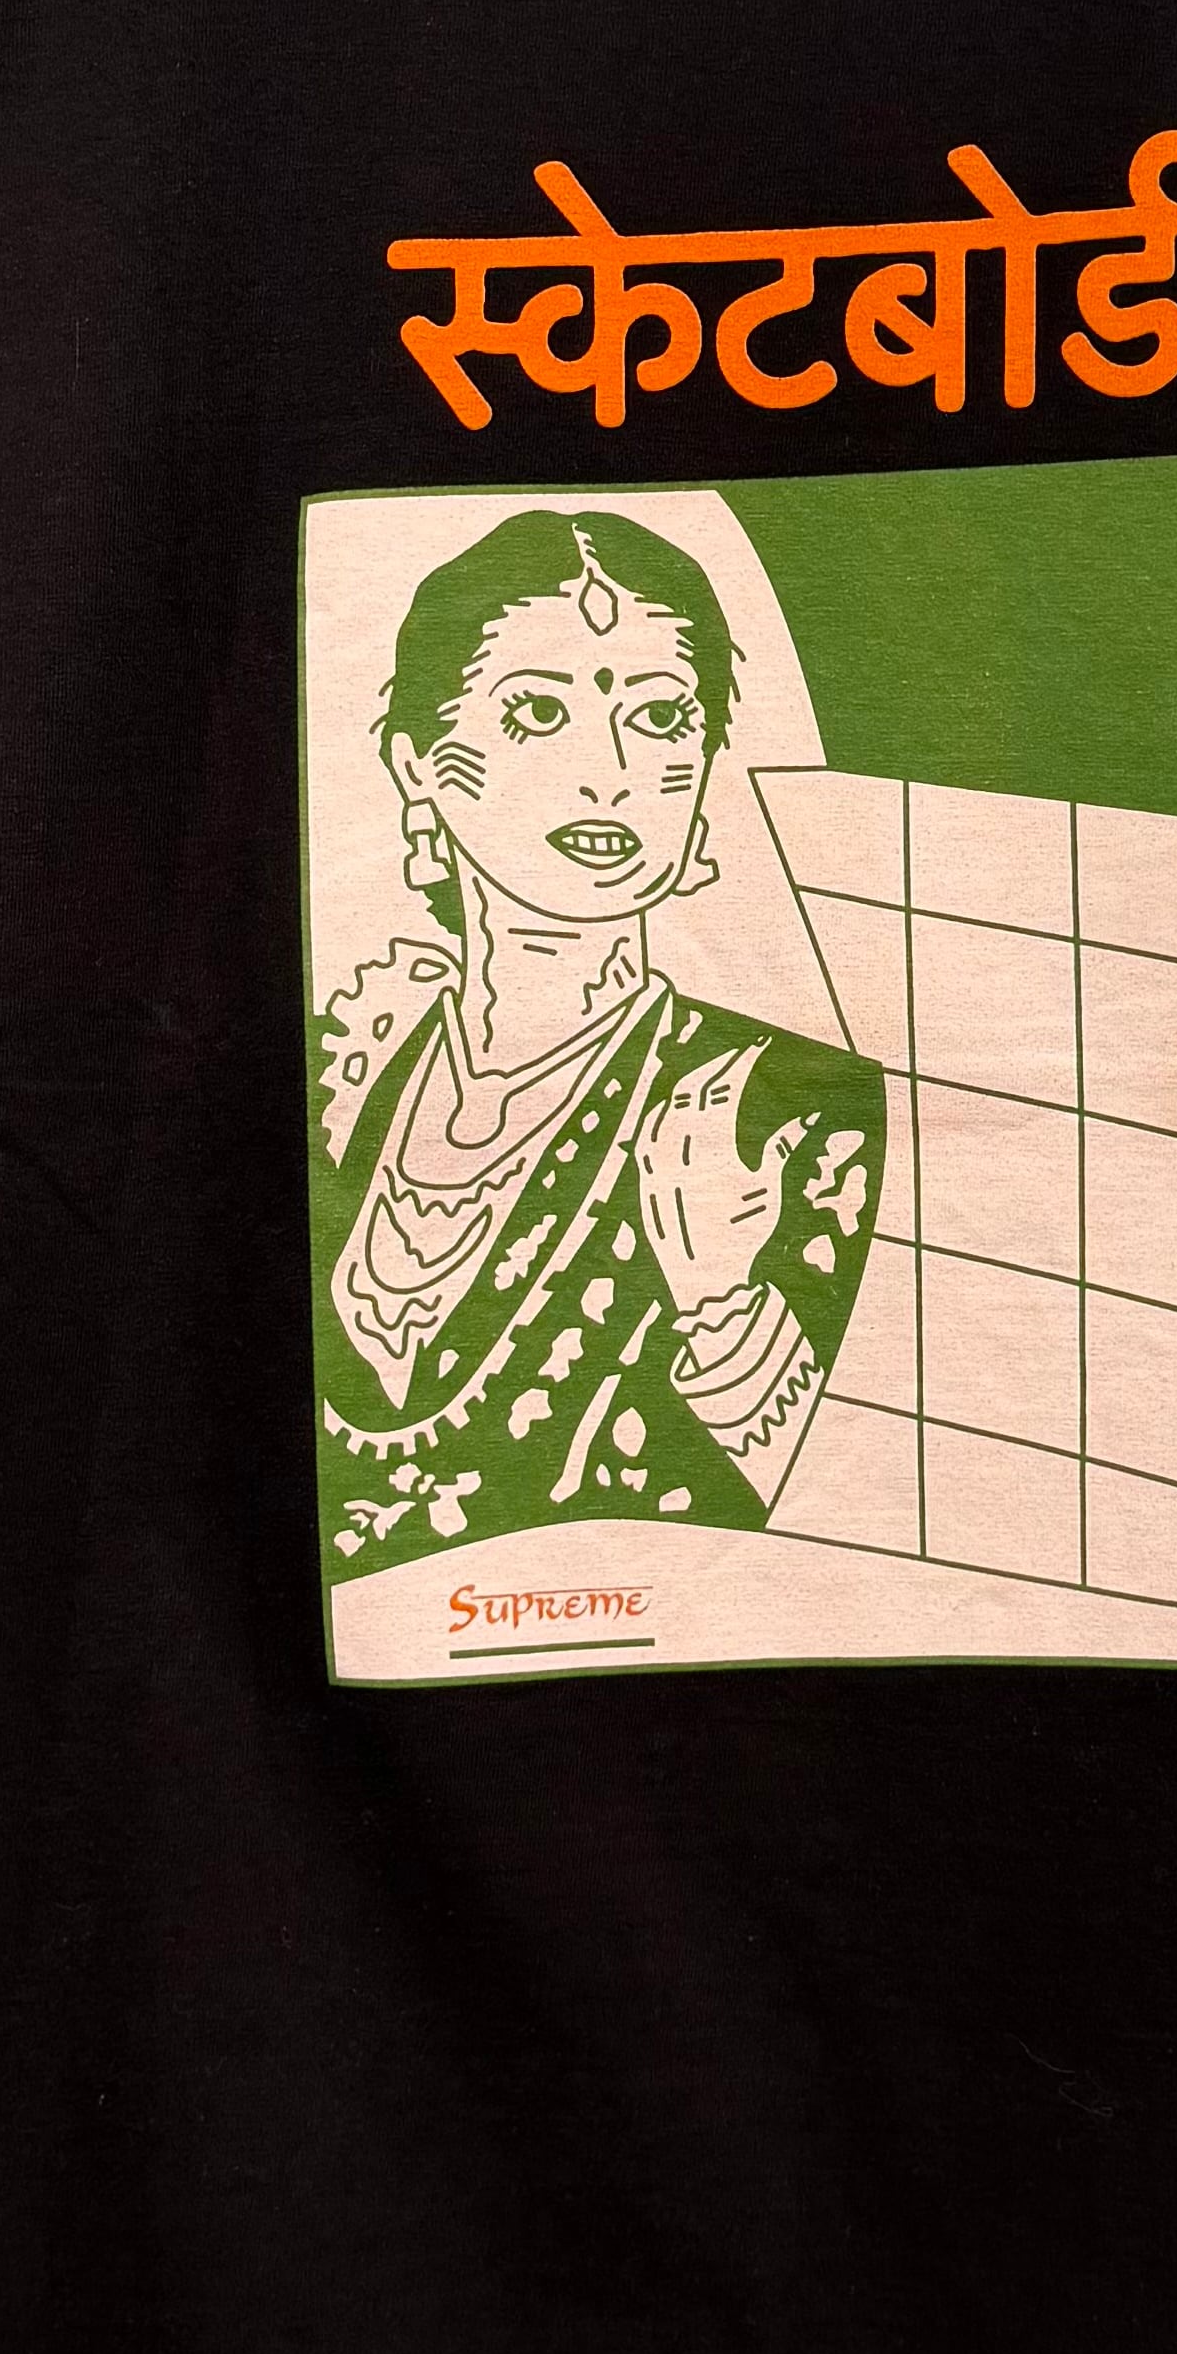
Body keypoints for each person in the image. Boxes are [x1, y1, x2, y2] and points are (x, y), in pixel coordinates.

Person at [309, 509, 884, 1571]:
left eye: (661, 718)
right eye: (537, 710)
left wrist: (722, 1301)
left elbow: (868, 1527)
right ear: (418, 765)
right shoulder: (339, 1070)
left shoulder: (792, 1109)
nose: (610, 772)